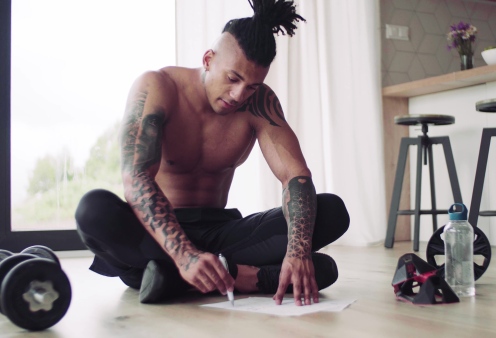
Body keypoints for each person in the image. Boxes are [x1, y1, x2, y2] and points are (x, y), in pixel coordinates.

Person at [75, 0, 349, 307]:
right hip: (157, 236)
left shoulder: (258, 103)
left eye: (252, 86)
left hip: (221, 232)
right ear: (208, 59)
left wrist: (298, 253)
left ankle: (169, 279)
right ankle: (240, 277)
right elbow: (136, 177)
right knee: (93, 211)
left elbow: (295, 176)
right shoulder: (158, 86)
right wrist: (184, 254)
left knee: (332, 211)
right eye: (233, 79)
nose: (238, 95)